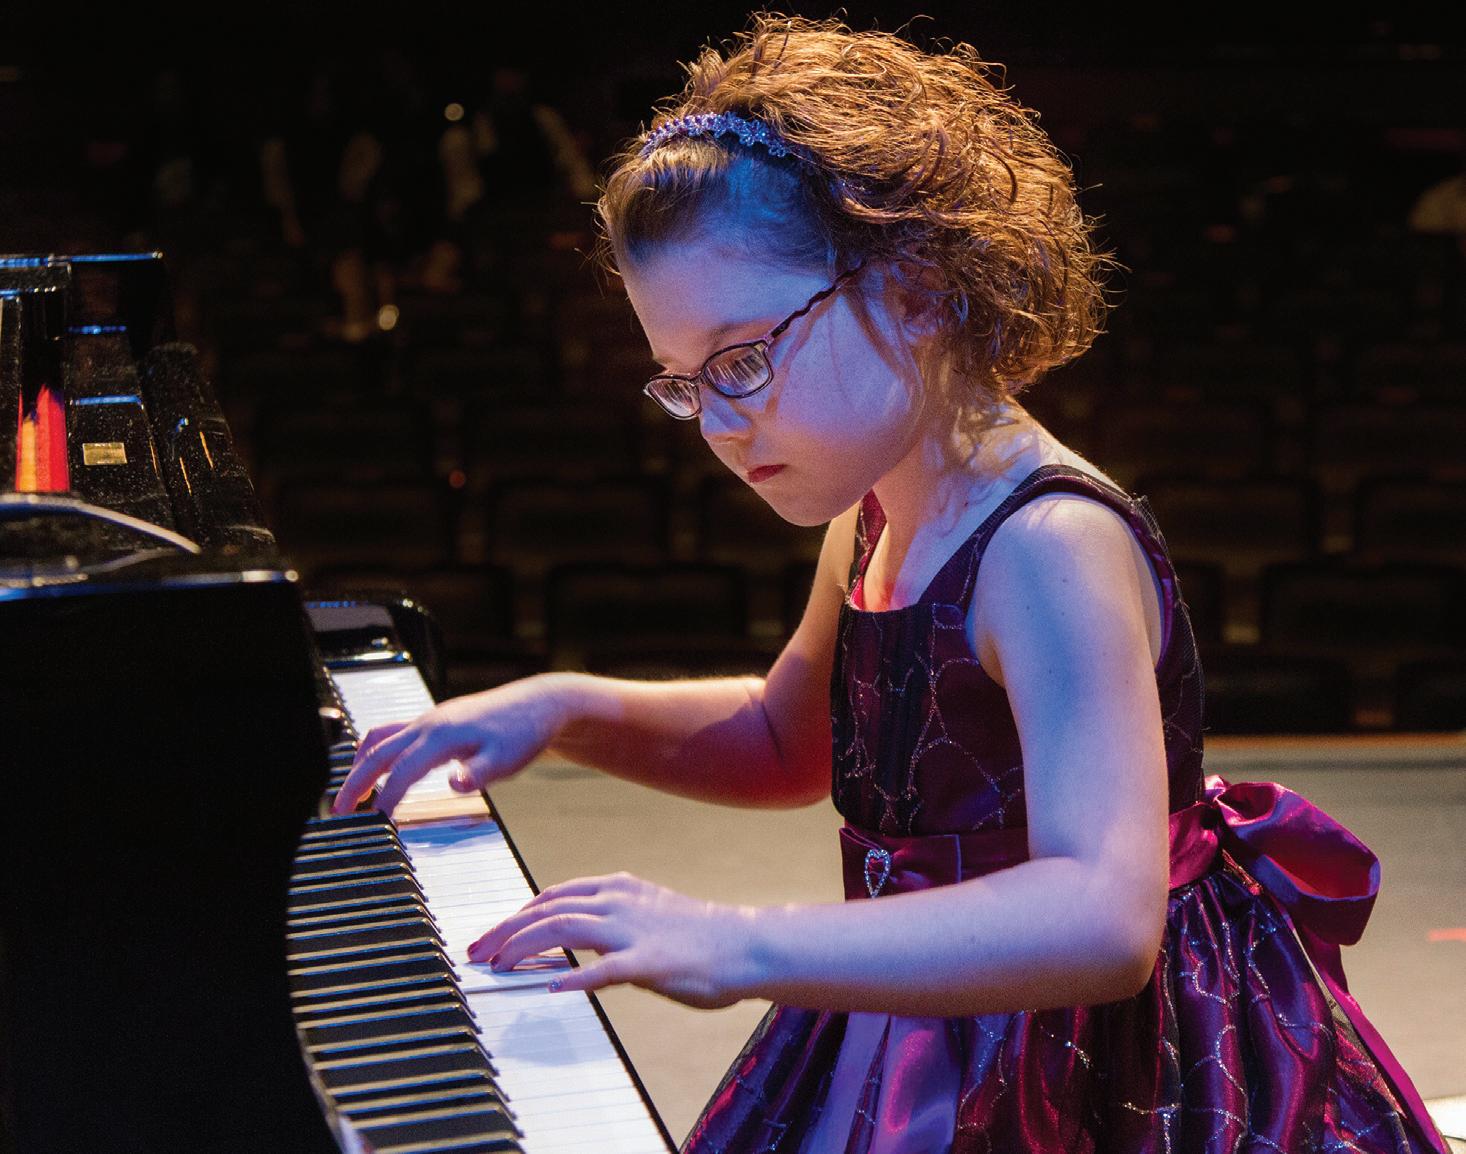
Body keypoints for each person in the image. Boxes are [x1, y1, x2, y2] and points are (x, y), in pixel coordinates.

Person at [333, 15, 1448, 1153]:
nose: (716, 423)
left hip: (1102, 1063)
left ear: (915, 288)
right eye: (681, 382)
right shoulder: (872, 512)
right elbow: (786, 741)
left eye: (741, 358)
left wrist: (736, 940)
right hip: (939, 1007)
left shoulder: (1047, 545)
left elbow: (1103, 916)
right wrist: (565, 708)